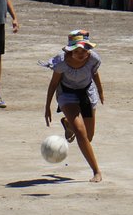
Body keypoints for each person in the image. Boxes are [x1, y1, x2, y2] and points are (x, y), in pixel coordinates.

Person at [44, 30, 104, 183]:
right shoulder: (61, 62)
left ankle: (68, 123)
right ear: (70, 51)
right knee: (80, 132)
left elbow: (95, 74)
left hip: (87, 93)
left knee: (88, 136)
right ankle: (96, 171)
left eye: (84, 49)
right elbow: (53, 83)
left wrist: (101, 92)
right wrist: (47, 106)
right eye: (77, 50)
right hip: (67, 94)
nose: (81, 53)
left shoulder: (93, 59)